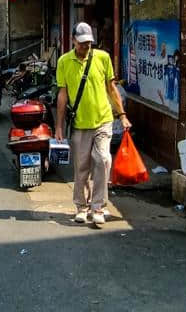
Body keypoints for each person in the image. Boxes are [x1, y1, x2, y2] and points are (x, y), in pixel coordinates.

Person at [55, 22, 132, 226]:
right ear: (73, 40)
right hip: (80, 123)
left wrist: (122, 114)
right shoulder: (64, 62)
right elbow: (62, 96)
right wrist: (59, 127)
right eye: (81, 43)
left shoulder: (102, 58)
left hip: (103, 120)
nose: (85, 47)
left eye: (88, 43)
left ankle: (98, 206)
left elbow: (111, 88)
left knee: (103, 160)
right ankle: (81, 206)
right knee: (81, 167)